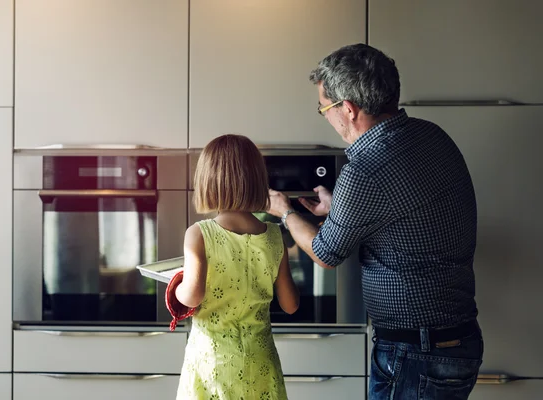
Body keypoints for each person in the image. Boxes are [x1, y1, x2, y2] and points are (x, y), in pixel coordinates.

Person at [267, 44, 484, 399]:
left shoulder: (365, 170)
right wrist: (340, 207)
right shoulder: (432, 135)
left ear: (348, 109)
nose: (325, 116)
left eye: (324, 107)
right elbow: (406, 211)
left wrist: (285, 212)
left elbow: (326, 254)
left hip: (415, 352)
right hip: (459, 341)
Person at [174, 134, 300, 400]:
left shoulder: (199, 234)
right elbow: (290, 305)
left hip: (214, 362)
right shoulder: (275, 235)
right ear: (256, 179)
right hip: (261, 362)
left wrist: (177, 288)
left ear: (207, 181)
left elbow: (192, 296)